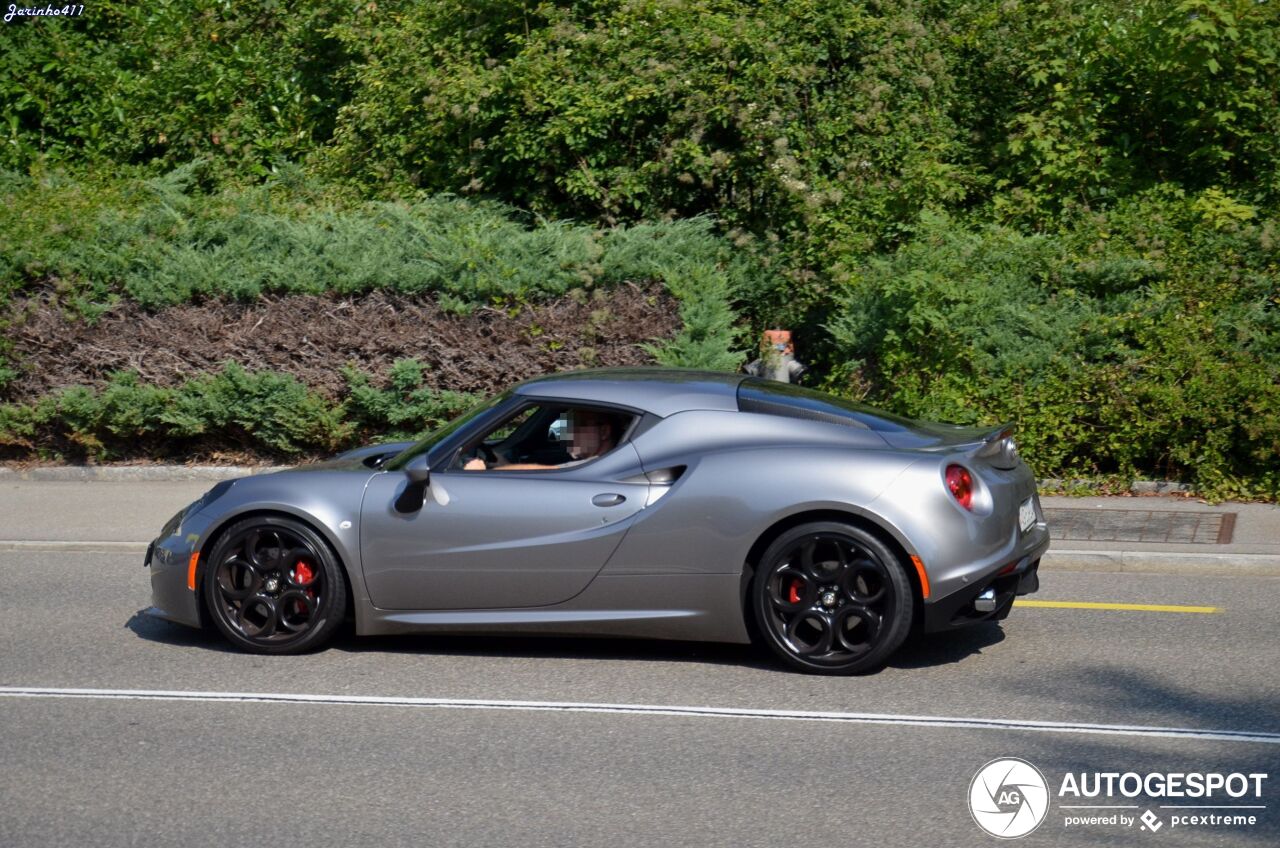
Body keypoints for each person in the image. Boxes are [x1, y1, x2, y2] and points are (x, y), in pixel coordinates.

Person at [464, 409, 619, 471]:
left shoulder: (601, 465)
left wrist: (481, 473)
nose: (568, 432)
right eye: (567, 425)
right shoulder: (607, 461)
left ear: (604, 431)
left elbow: (553, 473)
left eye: (577, 426)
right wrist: (505, 465)